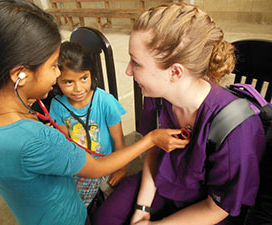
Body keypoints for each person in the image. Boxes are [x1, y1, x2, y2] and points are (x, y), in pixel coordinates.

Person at [0, 1, 189, 225]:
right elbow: (96, 168)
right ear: (19, 75)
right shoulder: (38, 140)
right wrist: (152, 138)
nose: (57, 75)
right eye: (53, 66)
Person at [93, 3, 266, 225]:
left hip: (205, 207)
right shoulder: (157, 97)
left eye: (136, 63)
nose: (128, 71)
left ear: (175, 71)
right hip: (165, 182)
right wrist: (142, 208)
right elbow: (154, 150)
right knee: (105, 219)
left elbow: (218, 208)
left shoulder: (236, 131)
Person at [49, 41, 127, 208]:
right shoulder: (57, 105)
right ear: (56, 81)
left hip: (104, 162)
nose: (78, 88)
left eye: (84, 78)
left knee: (76, 204)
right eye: (68, 82)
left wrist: (121, 168)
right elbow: (65, 143)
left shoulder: (105, 102)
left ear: (92, 74)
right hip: (78, 163)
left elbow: (118, 138)